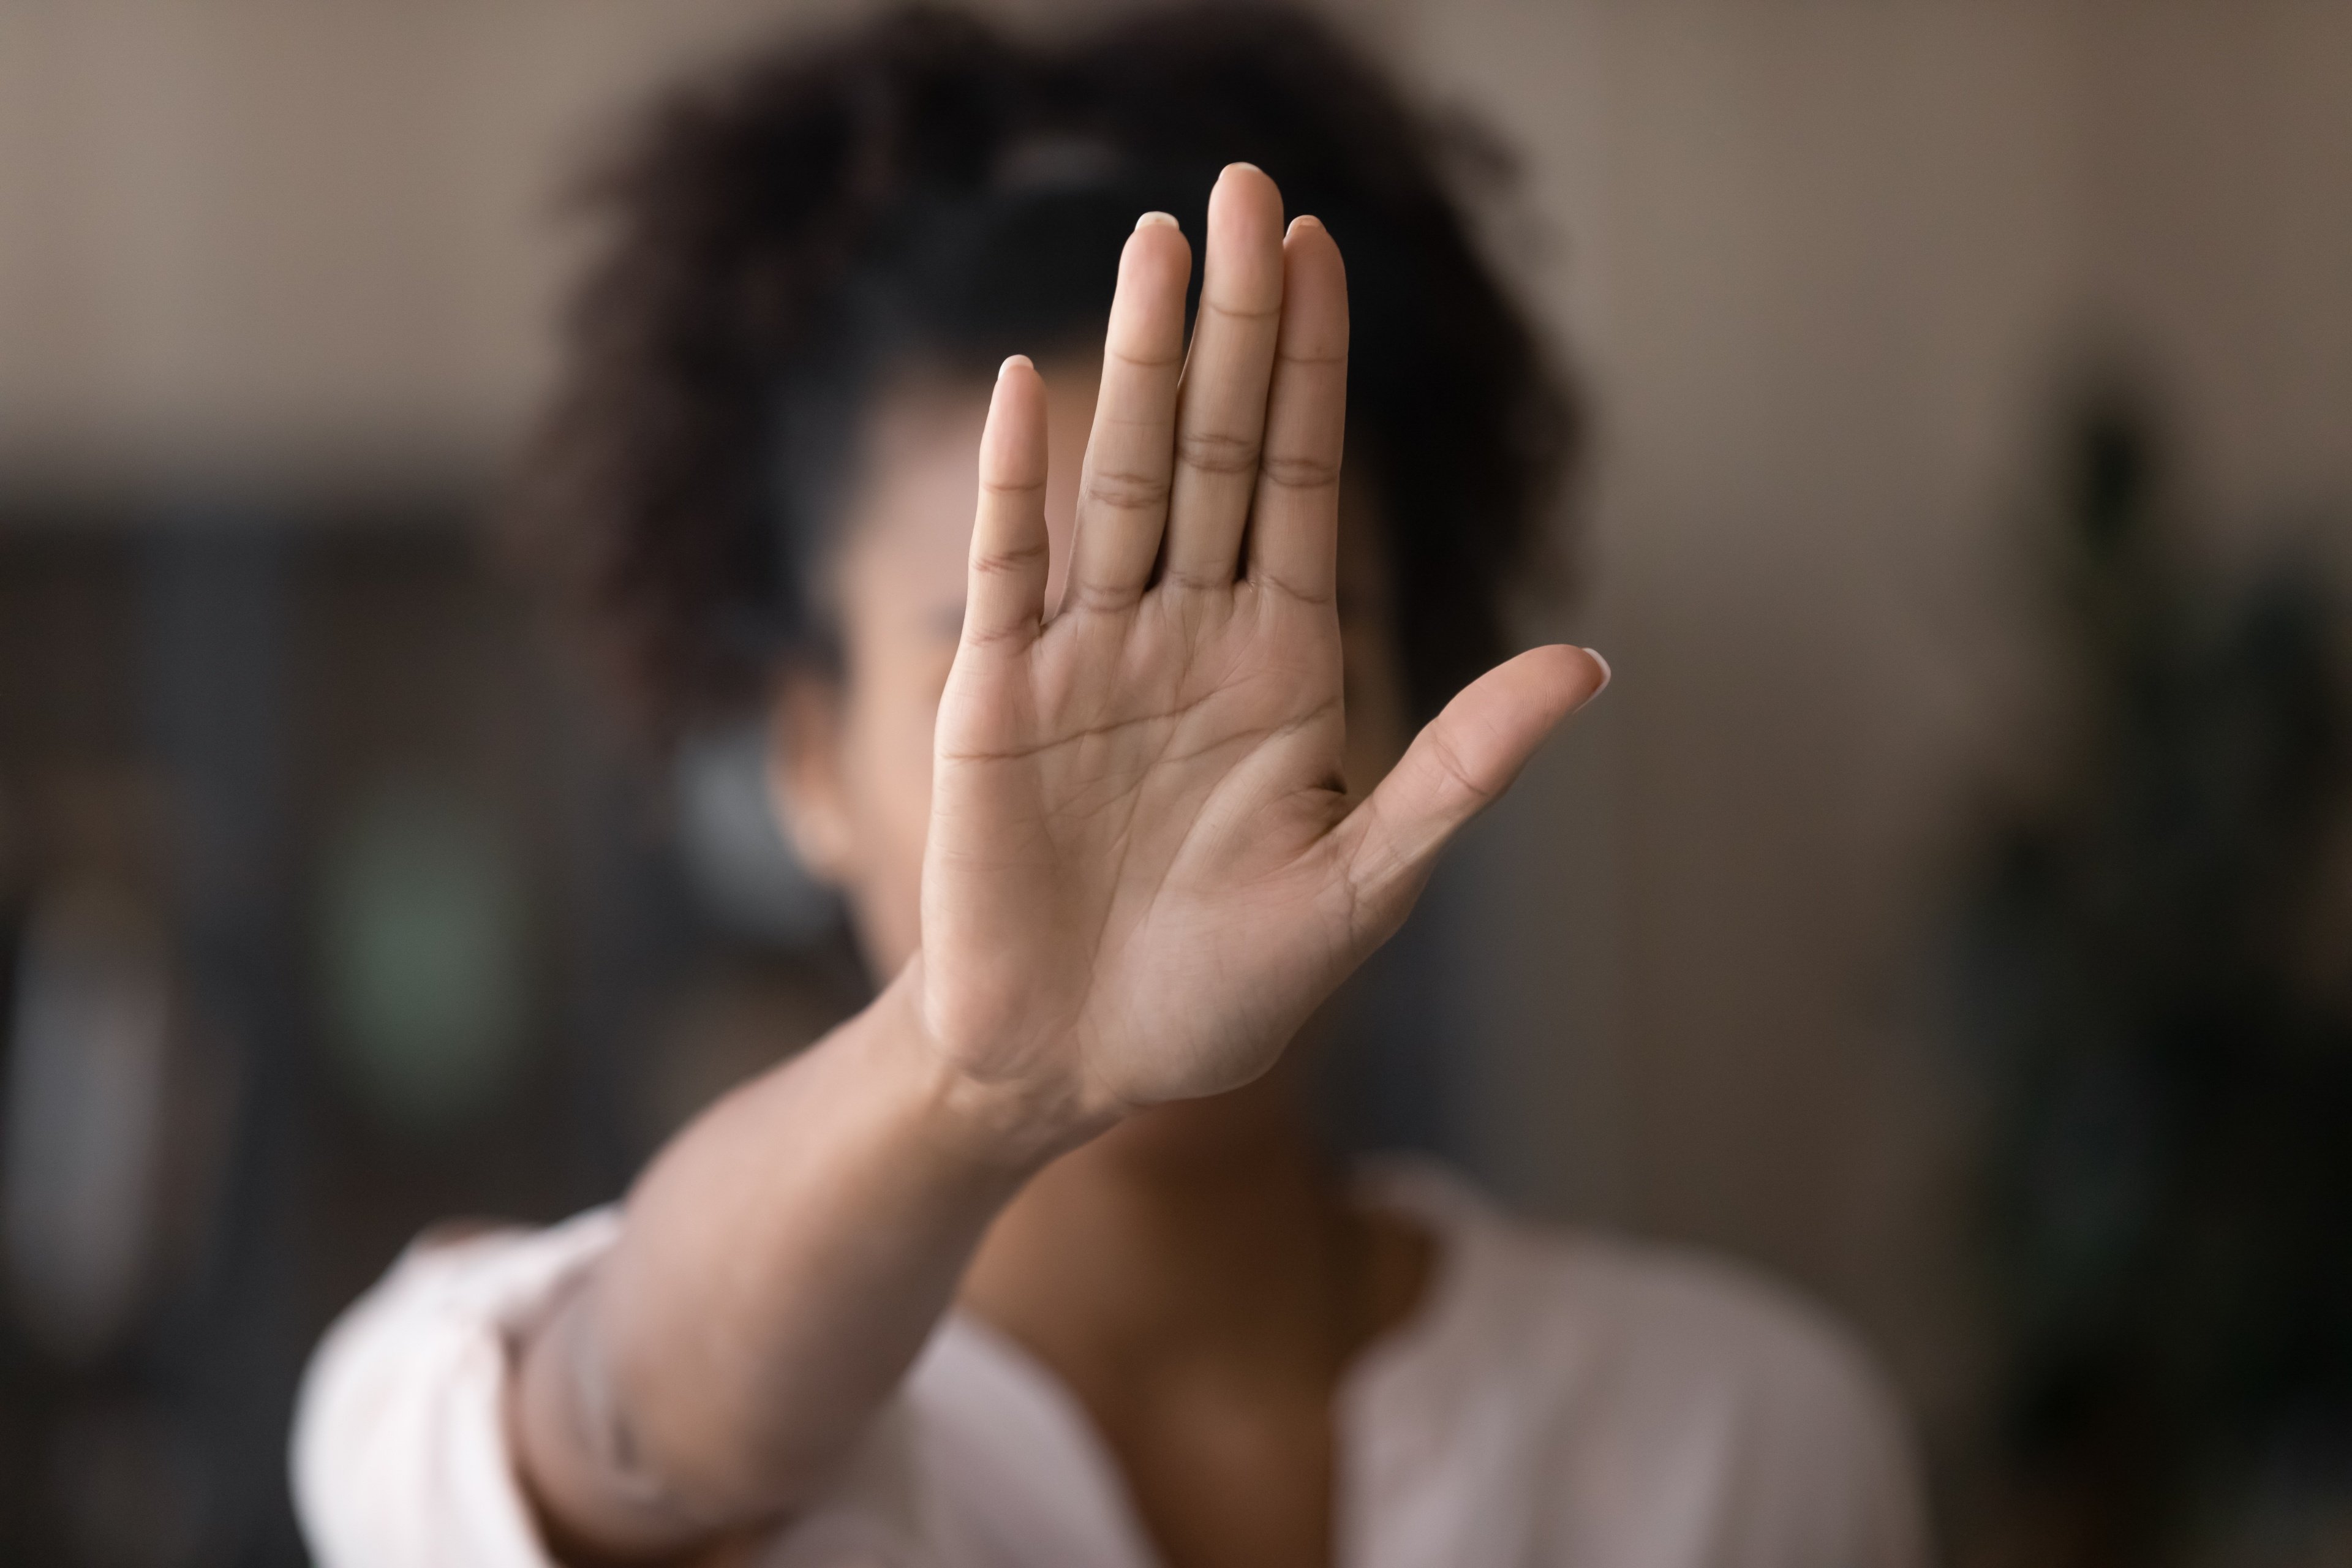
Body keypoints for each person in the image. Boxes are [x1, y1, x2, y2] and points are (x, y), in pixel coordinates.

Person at [292, 8, 1929, 1566]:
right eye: (1009, 645)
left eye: (1252, 628)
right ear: (808, 760)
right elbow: (621, 1427)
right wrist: (970, 1074)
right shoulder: (461, 1378)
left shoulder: (1738, 1440)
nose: (1155, 752)